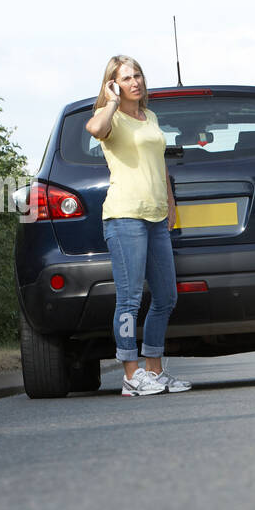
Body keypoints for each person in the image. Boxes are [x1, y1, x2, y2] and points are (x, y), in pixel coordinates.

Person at [84, 55, 191, 396]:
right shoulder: (110, 117)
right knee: (129, 300)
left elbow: (159, 164)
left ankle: (154, 370)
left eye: (138, 76)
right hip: (125, 216)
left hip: (157, 216)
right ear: (114, 83)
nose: (135, 82)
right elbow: (95, 130)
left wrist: (171, 203)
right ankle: (131, 374)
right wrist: (112, 101)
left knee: (166, 297)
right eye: (127, 78)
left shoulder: (150, 117)